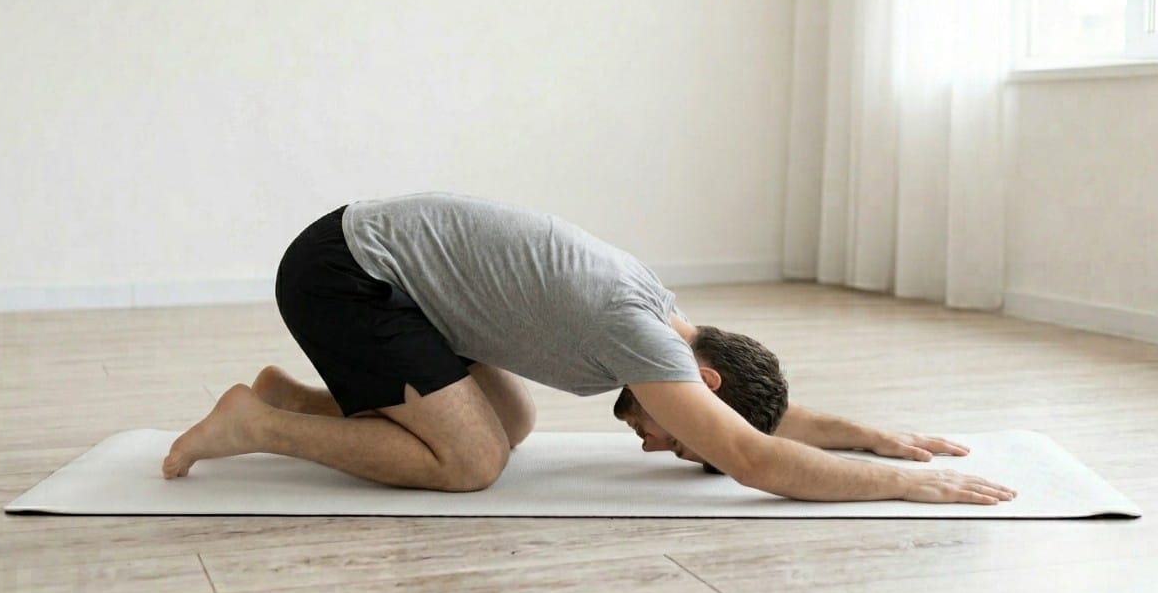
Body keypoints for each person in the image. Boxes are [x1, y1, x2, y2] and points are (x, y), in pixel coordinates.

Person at [163, 193, 1016, 505]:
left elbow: (758, 418)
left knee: (512, 420)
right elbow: (757, 459)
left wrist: (871, 435)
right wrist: (911, 486)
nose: (654, 444)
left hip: (369, 263)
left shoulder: (667, 325)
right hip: (347, 275)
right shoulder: (641, 337)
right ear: (700, 381)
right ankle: (253, 425)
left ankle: (292, 400)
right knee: (471, 463)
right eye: (679, 436)